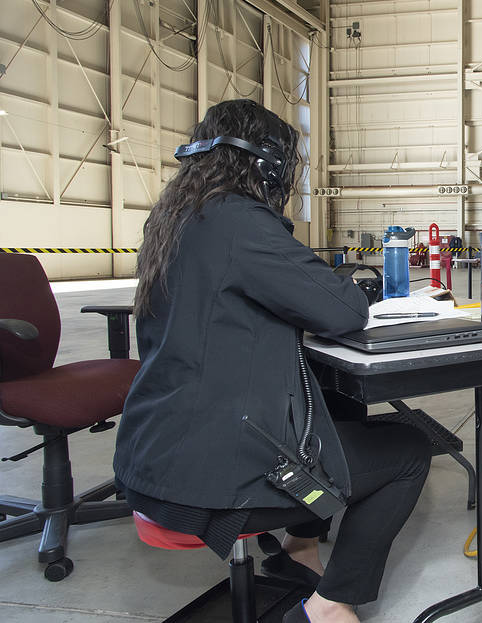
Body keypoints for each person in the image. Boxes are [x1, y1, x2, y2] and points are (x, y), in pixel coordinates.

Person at [114, 99, 431, 623]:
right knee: (408, 452)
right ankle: (330, 607)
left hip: (152, 455)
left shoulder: (172, 220)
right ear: (267, 166)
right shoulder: (237, 221)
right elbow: (343, 310)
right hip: (205, 475)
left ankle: (297, 552)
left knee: (337, 407)